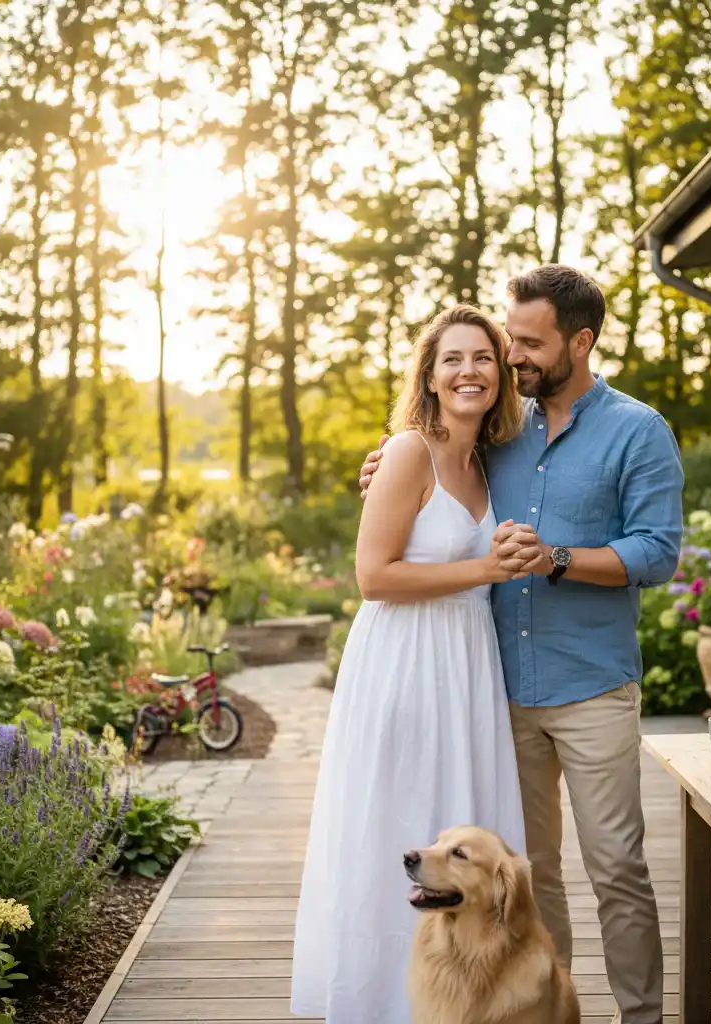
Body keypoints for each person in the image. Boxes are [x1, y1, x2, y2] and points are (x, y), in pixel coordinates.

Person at [358, 265, 684, 1024]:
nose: (513, 357)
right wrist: (383, 464)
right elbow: (432, 470)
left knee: (618, 870)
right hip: (500, 689)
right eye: (511, 340)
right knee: (534, 875)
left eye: (530, 344)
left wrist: (556, 558)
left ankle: (641, 1016)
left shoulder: (638, 430)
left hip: (592, 685)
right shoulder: (500, 428)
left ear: (581, 341)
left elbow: (657, 552)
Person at [290, 304, 534, 1024]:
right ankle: (384, 1004)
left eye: (483, 358)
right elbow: (374, 576)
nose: (469, 371)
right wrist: (485, 569)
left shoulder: (488, 462)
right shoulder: (407, 452)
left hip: (468, 666)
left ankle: (461, 1001)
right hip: (403, 663)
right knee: (398, 817)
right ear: (428, 377)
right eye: (452, 359)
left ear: (501, 376)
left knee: (460, 814)